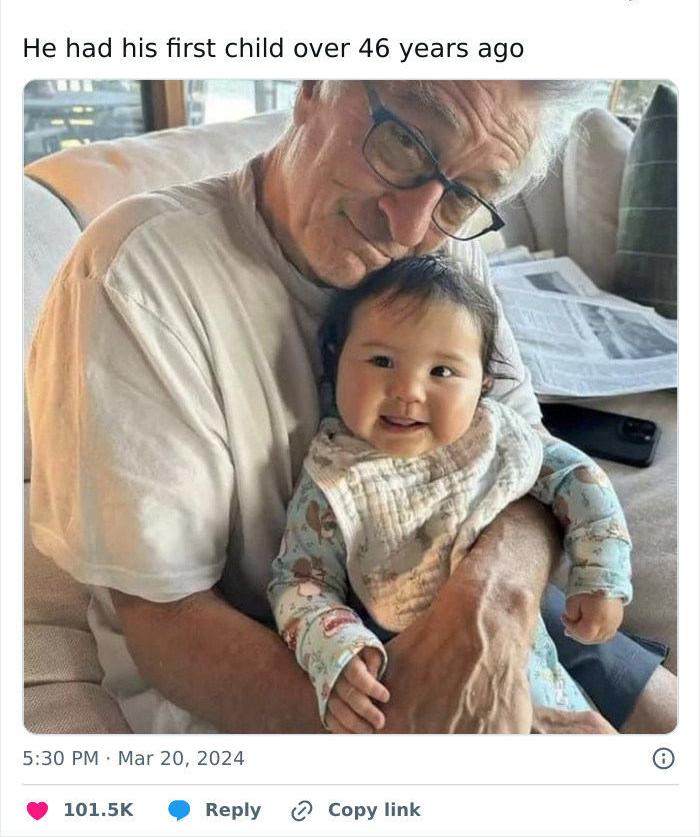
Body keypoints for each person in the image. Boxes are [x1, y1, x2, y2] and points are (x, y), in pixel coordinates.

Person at [27, 80, 675, 734]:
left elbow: (521, 453)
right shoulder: (139, 278)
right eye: (404, 141)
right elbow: (164, 621)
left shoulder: (445, 248)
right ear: (316, 84)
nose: (413, 225)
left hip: (479, 587)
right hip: (296, 657)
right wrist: (424, 728)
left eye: (464, 194)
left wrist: (494, 608)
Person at [268, 255, 631, 733]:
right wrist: (336, 650)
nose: (409, 390)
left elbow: (575, 477)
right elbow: (300, 583)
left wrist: (601, 574)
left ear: (483, 385)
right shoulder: (334, 477)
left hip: (532, 673)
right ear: (335, 365)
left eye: (442, 371)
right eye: (381, 361)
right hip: (413, 691)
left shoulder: (494, 438)